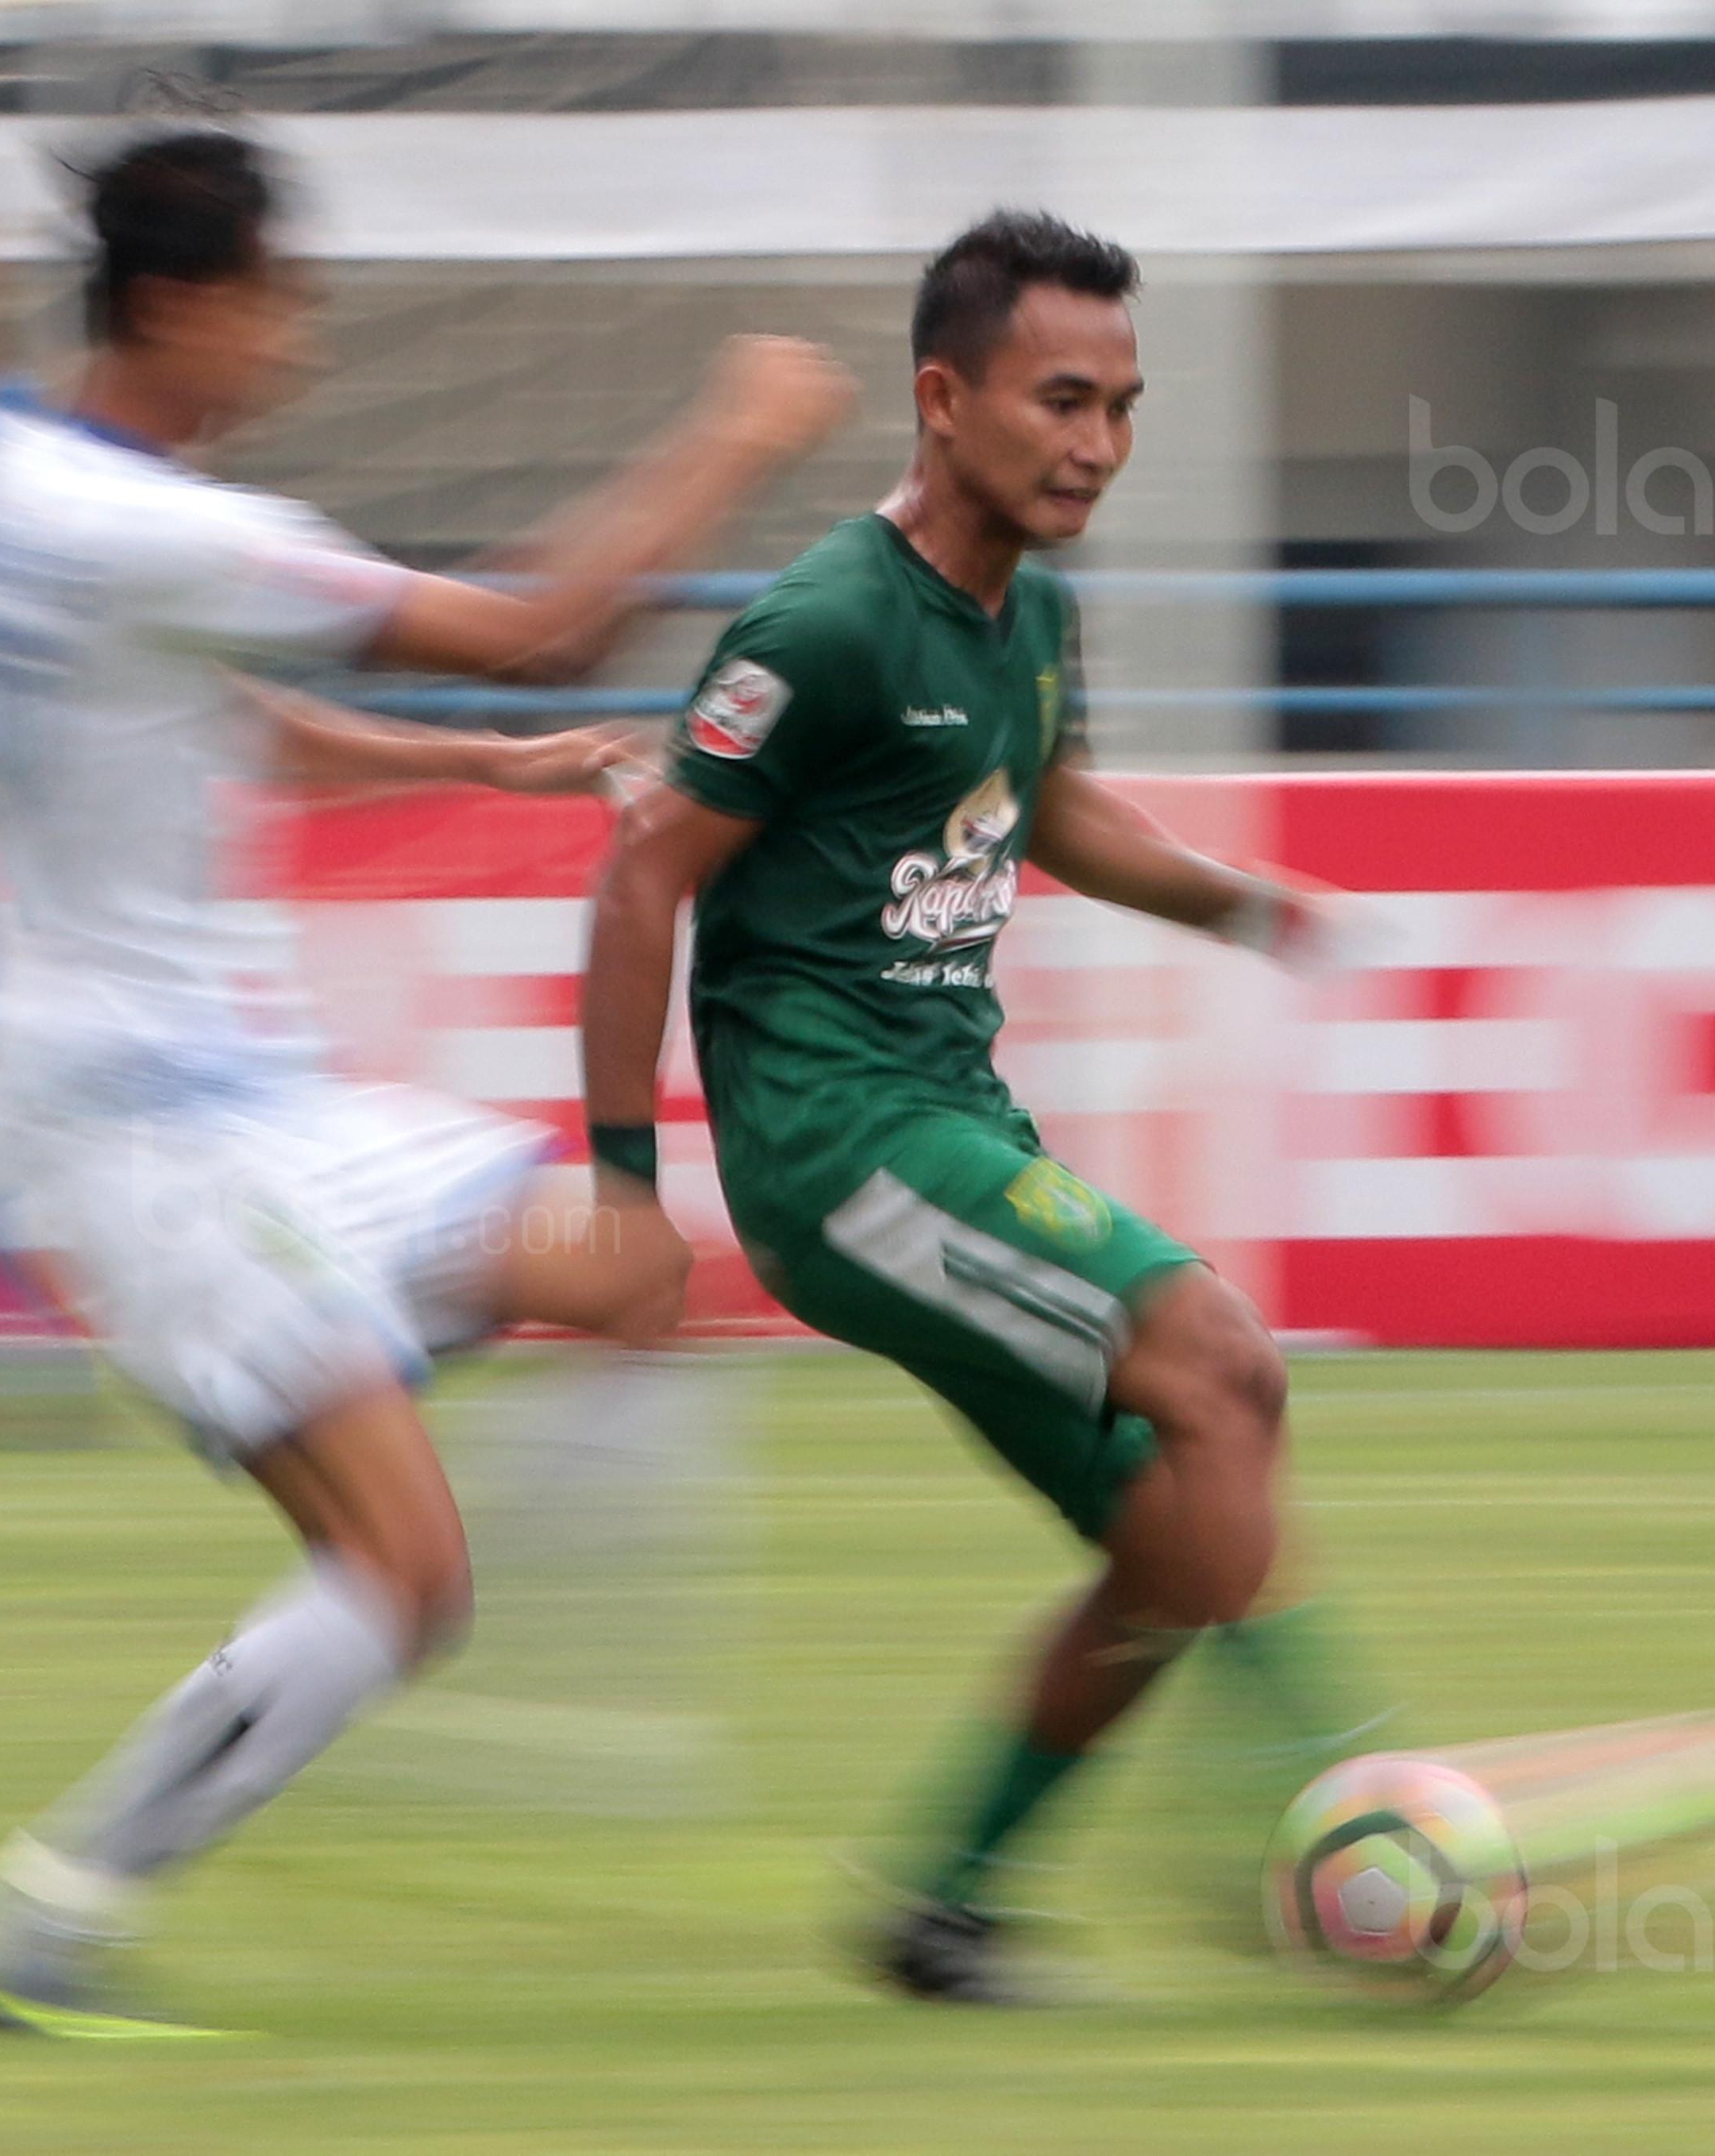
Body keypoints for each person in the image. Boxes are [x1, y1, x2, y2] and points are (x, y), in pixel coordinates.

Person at [0, 125, 850, 2037]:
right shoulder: (142, 527)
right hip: (144, 1132)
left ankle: (490, 1684)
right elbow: (543, 626)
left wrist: (467, 767)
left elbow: (216, 712)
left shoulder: (11, 475)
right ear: (183, 301)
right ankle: (43, 1918)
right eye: (281, 307)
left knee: (626, 1265)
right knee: (404, 1568)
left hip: (240, 1102)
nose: (300, 348)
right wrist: (738, 433)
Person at [576, 209, 1389, 2006]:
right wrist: (626, 1197)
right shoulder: (829, 623)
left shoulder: (1032, 610)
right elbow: (643, 873)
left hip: (950, 1124)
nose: (1096, 444)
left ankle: (941, 1914)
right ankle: (1351, 1834)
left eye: (1120, 407)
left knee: (1181, 1524)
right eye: (1060, 401)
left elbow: (1057, 809)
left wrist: (1250, 907)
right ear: (943, 401)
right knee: (1225, 1368)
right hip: (839, 1148)